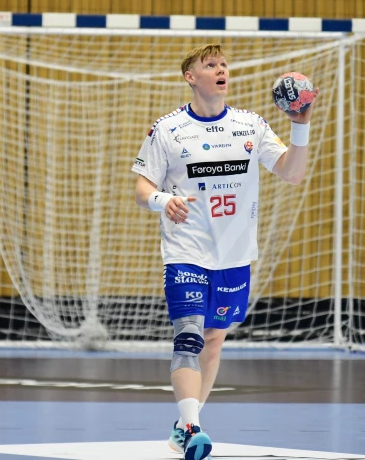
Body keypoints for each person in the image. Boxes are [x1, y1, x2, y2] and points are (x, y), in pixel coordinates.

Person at [131, 44, 318, 460]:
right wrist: (164, 200)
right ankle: (193, 427)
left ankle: (183, 426)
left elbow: (292, 174)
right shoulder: (169, 129)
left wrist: (299, 126)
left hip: (234, 256)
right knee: (189, 336)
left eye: (223, 64)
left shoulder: (250, 125)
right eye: (210, 65)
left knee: (214, 340)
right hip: (185, 251)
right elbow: (142, 189)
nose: (221, 70)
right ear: (190, 77)